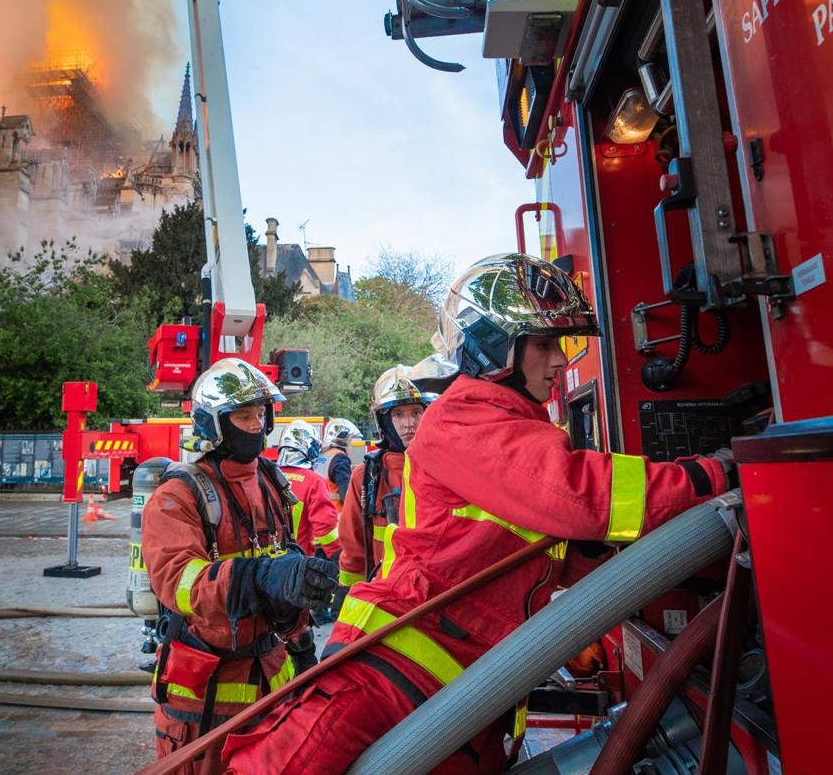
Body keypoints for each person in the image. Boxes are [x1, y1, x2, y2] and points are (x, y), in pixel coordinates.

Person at [221, 253, 733, 774]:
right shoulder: (462, 421)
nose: (560, 361)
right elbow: (581, 495)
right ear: (495, 346)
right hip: (391, 676)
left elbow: (553, 548)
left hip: (460, 691)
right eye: (544, 343)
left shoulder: (513, 428)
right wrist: (717, 475)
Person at [142, 359, 339, 775]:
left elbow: (284, 572)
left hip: (271, 684)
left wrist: (303, 648)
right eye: (242, 415)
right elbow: (178, 583)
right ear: (213, 423)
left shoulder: (271, 482)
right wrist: (259, 577)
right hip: (203, 700)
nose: (254, 424)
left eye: (260, 414)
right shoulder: (178, 496)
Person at [336, 363, 435, 586]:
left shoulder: (446, 467)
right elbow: (354, 547)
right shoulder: (366, 476)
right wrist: (349, 597)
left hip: (437, 593)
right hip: (385, 593)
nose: (408, 423)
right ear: (383, 420)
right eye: (398, 415)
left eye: (416, 412)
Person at [276, 432, 341, 562]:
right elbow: (325, 527)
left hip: (267, 564)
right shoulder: (314, 481)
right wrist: (339, 557)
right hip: (299, 563)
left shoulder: (268, 476)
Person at [316, 417, 357, 508]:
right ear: (344, 442)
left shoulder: (323, 456)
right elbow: (346, 495)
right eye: (350, 441)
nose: (351, 445)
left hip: (321, 510)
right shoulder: (340, 458)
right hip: (336, 516)